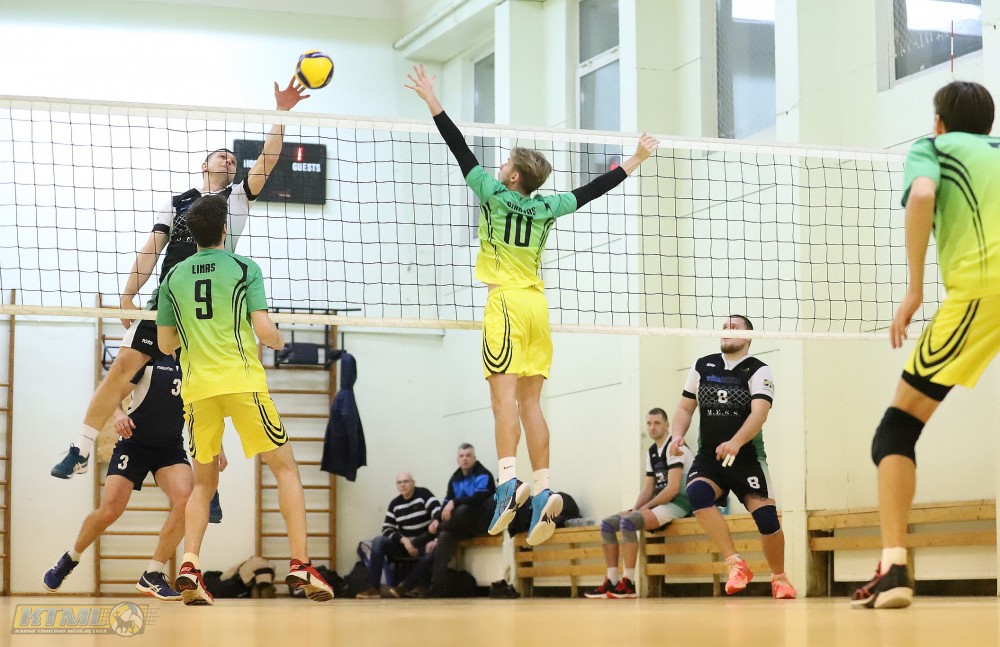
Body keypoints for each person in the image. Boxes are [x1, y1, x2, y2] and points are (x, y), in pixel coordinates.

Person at [405, 63, 658, 547]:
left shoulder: (493, 193)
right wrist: (636, 159)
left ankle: (507, 484)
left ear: (514, 175)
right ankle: (543, 489)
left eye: (505, 164)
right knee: (531, 404)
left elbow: (459, 147)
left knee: (501, 401)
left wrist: (432, 101)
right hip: (538, 308)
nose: (498, 168)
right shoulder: (547, 206)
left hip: (504, 304)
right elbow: (594, 189)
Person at [51, 79, 310, 480]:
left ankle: (210, 487)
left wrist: (281, 113)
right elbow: (152, 249)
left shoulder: (238, 197)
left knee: (204, 389)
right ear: (204, 166)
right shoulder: (176, 204)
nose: (230, 162)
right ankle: (80, 448)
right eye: (222, 157)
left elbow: (269, 159)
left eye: (233, 160)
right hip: (170, 299)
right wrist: (127, 295)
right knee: (122, 369)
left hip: (213, 309)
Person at [851, 81, 1000, 610]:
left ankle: (894, 566)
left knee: (895, 430)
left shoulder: (931, 147)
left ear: (939, 122)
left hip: (981, 293)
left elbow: (920, 196)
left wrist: (914, 291)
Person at [156, 194, 332, 605]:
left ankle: (190, 566)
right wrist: (280, 341)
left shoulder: (172, 278)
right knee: (285, 469)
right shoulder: (243, 267)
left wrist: (197, 338)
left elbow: (165, 344)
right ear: (224, 229)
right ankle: (301, 563)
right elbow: (264, 330)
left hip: (198, 390)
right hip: (242, 383)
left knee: (203, 484)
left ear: (191, 233)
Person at [42, 354, 226, 600]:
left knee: (187, 501)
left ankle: (153, 573)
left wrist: (218, 447)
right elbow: (113, 389)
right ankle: (70, 558)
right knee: (110, 510)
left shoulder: (193, 359)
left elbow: (205, 410)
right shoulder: (148, 353)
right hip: (133, 444)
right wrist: (118, 414)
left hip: (169, 448)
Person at [669, 315, 797, 600]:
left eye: (734, 327)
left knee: (767, 521)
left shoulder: (759, 370)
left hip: (747, 457)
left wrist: (736, 442)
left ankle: (779, 578)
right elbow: (685, 408)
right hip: (710, 457)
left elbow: (760, 413)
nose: (727, 330)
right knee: (697, 494)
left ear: (749, 336)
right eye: (724, 327)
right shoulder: (702, 365)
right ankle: (735, 564)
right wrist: (677, 435)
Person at [585, 408, 694, 599]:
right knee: (608, 524)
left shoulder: (676, 447)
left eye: (657, 423)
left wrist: (645, 508)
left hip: (680, 503)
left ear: (667, 425)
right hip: (659, 503)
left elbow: (673, 489)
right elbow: (648, 488)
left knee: (629, 522)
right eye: (649, 423)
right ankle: (612, 581)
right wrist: (636, 509)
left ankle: (629, 583)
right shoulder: (652, 452)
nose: (652, 427)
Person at [425, 443, 505, 598]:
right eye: (461, 456)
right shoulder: (454, 478)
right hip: (459, 526)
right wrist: (436, 519)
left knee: (463, 509)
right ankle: (437, 587)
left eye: (468, 455)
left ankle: (430, 534)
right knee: (444, 536)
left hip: (480, 521)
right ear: (457, 459)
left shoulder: (483, 474)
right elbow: (446, 502)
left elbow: (480, 498)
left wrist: (454, 502)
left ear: (474, 458)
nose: (465, 459)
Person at [356, 472, 441, 599]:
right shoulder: (395, 504)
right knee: (378, 541)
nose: (403, 485)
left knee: (437, 550)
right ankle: (374, 588)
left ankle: (404, 586)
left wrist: (435, 539)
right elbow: (386, 529)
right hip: (404, 546)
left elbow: (439, 514)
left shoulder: (424, 494)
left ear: (413, 483)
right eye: (399, 482)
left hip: (424, 544)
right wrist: (404, 541)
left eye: (406, 481)